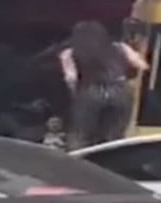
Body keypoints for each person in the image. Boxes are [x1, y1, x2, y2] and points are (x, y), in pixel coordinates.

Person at [59, 20, 148, 149]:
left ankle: (80, 158)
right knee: (115, 136)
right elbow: (142, 65)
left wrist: (76, 94)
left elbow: (71, 78)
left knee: (83, 135)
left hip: (90, 91)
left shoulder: (69, 53)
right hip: (120, 89)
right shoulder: (120, 47)